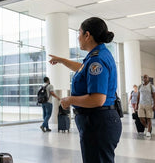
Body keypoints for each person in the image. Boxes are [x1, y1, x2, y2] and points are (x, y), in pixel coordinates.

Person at [48, 17, 121, 163]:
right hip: (99, 121)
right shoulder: (97, 55)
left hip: (98, 122)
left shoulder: (96, 60)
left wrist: (70, 100)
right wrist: (62, 60)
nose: (78, 37)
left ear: (87, 35)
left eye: (79, 33)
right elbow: (82, 68)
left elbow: (97, 99)